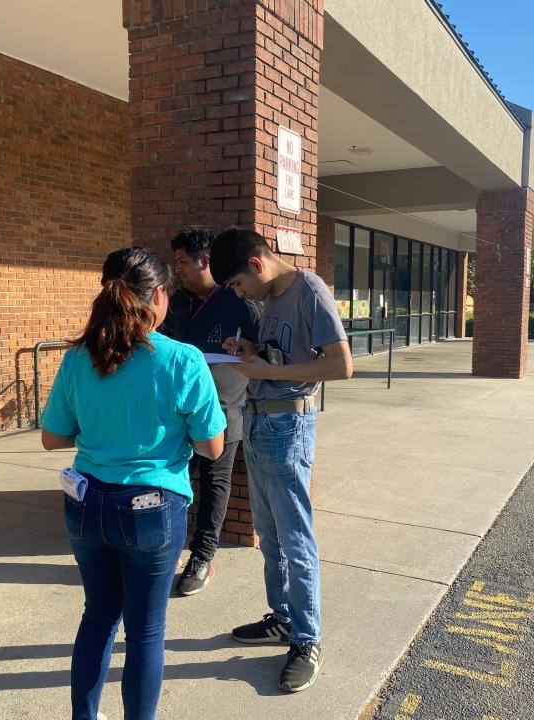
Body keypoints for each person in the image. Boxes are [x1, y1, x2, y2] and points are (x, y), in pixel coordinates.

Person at [40, 247, 226, 720]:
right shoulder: (183, 359)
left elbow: (52, 437)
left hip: (85, 503)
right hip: (153, 507)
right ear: (159, 295)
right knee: (145, 631)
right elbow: (213, 447)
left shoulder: (79, 356)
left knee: (98, 618)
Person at [209, 228, 353, 693]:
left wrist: (269, 371)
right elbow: (285, 355)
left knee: (295, 539)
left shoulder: (309, 291)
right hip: (259, 421)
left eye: (235, 283)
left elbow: (340, 365)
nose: (237, 293)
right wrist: (252, 353)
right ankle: (284, 618)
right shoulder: (270, 299)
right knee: (269, 535)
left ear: (256, 265)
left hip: (289, 428)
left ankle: (307, 639)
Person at [164, 227, 261, 597]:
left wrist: (245, 350)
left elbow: (262, 352)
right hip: (177, 412)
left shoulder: (240, 300)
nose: (180, 270)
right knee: (174, 480)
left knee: (215, 484)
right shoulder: (175, 303)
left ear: (205, 261)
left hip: (223, 409)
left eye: (184, 262)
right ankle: (168, 549)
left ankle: (202, 558)